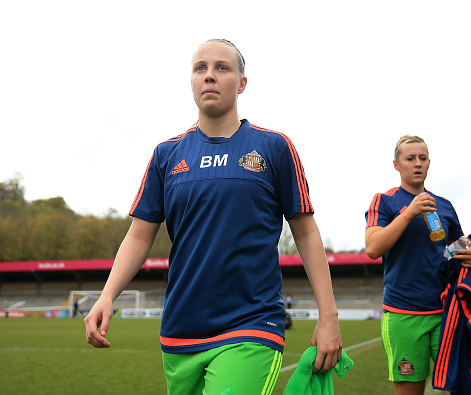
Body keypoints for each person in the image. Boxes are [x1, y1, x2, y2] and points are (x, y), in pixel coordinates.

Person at [84, 39, 342, 394]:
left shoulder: (274, 147)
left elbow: (307, 233)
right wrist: (107, 295)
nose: (209, 76)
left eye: (222, 68)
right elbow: (139, 235)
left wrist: (328, 316)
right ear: (191, 81)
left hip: (251, 325)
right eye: (200, 68)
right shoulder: (166, 155)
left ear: (242, 83)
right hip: (180, 330)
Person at [365, 135, 471, 395]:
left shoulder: (445, 206)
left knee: (466, 387)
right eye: (410, 159)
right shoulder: (384, 201)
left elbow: (454, 252)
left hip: (447, 314)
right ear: (396, 165)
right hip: (403, 314)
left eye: (422, 158)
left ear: (429, 163)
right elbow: (373, 248)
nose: (417, 163)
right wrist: (409, 212)